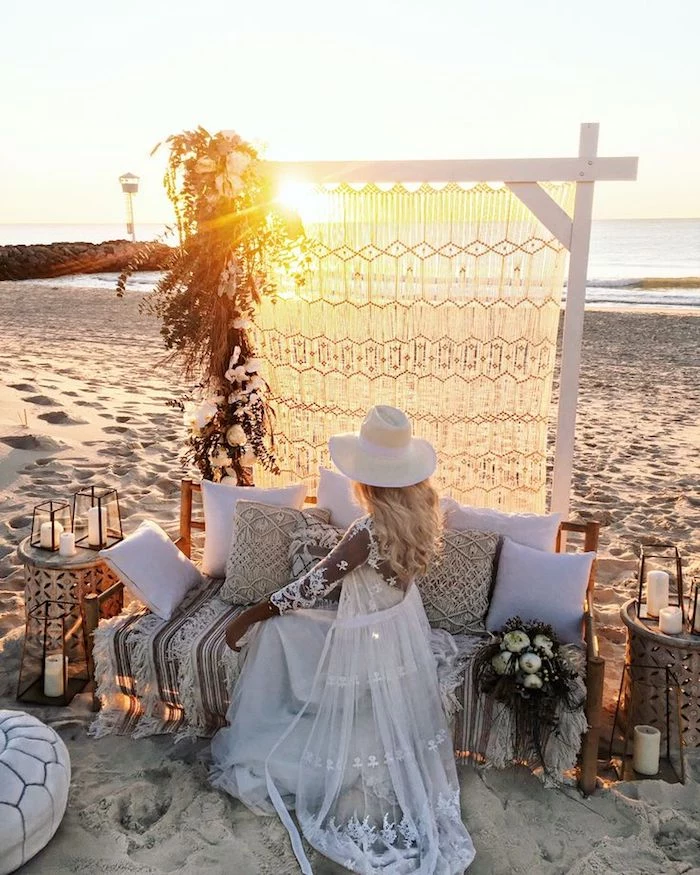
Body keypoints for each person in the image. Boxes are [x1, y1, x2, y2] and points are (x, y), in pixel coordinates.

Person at [210, 406, 475, 874]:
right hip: (395, 630)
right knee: (293, 628)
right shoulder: (419, 516)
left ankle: (285, 719)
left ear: (367, 480)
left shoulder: (367, 532)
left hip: (365, 642)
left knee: (276, 629)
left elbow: (311, 586)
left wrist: (250, 615)